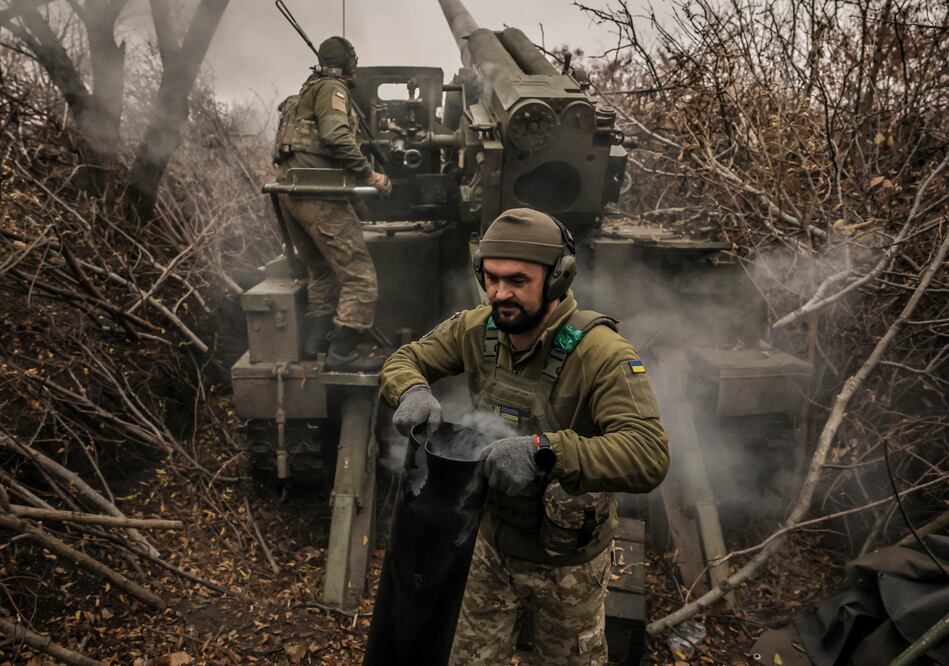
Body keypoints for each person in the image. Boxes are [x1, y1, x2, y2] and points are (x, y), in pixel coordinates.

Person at [378, 208, 670, 665]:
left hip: (567, 565)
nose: (500, 293)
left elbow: (648, 454)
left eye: (517, 280)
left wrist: (546, 450)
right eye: (490, 279)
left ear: (557, 280)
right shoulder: (478, 329)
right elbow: (405, 359)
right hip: (489, 545)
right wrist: (411, 389)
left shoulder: (603, 353)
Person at [272, 35, 391, 371]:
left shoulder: (301, 95)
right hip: (318, 195)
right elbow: (336, 135)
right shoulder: (332, 90)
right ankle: (343, 353)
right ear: (348, 64)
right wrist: (371, 176)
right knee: (360, 278)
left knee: (320, 272)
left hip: (289, 195)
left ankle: (314, 344)